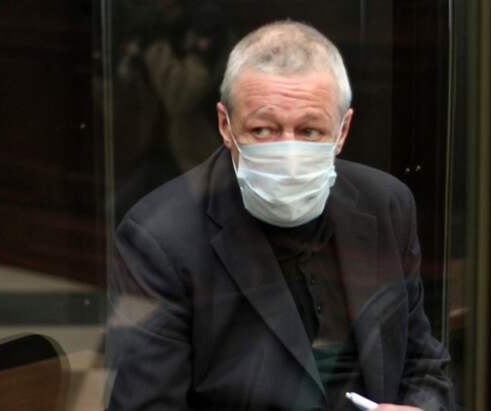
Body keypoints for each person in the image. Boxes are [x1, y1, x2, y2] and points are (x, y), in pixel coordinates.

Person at [106, 21, 454, 411]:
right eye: (263, 130)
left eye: (309, 131)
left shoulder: (385, 204)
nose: (288, 154)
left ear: (342, 131)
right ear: (225, 125)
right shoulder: (159, 237)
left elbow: (423, 364)